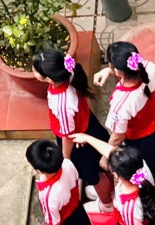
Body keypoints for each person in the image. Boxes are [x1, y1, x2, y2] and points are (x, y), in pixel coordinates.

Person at [32, 47, 114, 209]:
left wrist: (66, 159)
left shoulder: (61, 102)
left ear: (49, 79)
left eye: (35, 69)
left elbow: (67, 135)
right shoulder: (69, 70)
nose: (33, 70)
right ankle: (110, 190)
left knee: (96, 176)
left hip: (79, 142)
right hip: (89, 126)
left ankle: (107, 204)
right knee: (102, 167)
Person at [94, 40, 155, 161]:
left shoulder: (121, 103)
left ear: (117, 70)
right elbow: (133, 71)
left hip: (144, 142)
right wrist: (110, 71)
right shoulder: (149, 68)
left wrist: (106, 156)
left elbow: (117, 137)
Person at [25, 138, 91, 225]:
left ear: (39, 170)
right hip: (78, 210)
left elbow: (52, 222)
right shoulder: (68, 163)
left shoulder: (47, 195)